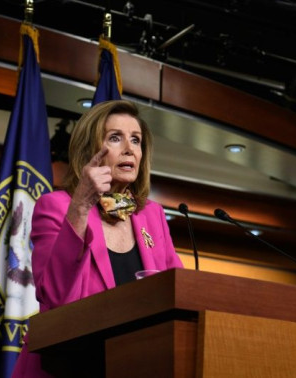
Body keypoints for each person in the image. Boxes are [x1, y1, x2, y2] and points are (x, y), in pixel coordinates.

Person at [12, 99, 184, 377]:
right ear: (90, 150)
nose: (130, 148)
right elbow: (54, 296)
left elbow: (177, 290)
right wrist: (80, 206)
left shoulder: (151, 214)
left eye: (136, 140)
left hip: (137, 362)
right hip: (68, 366)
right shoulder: (57, 206)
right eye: (115, 138)